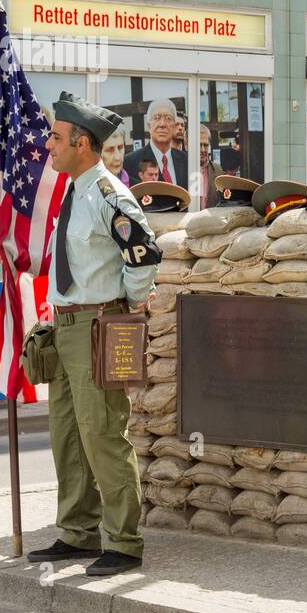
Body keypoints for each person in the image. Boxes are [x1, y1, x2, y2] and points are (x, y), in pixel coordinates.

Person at [29, 91, 160, 577]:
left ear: (81, 143)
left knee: (103, 433)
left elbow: (144, 257)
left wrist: (123, 306)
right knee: (67, 434)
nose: (49, 146)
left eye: (57, 138)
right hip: (64, 326)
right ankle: (77, 532)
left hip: (97, 325)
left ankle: (125, 542)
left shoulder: (109, 194)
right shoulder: (73, 188)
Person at [123, 98, 186, 187]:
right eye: (157, 118)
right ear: (149, 125)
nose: (162, 124)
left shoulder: (186, 160)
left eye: (168, 118)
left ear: (174, 125)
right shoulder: (130, 162)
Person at [198, 124, 224, 207]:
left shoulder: (218, 171)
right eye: (199, 145)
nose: (203, 150)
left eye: (205, 145)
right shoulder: (182, 169)